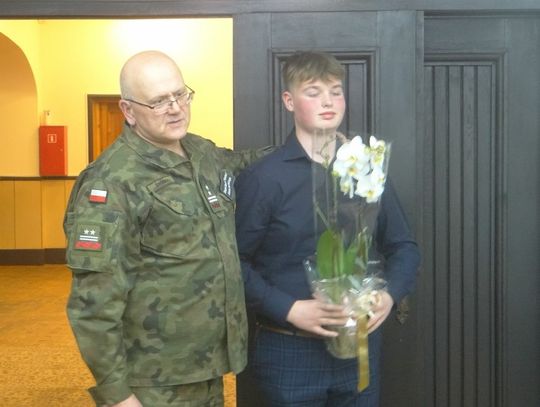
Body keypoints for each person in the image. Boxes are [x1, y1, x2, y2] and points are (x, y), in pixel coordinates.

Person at [64, 50, 271, 407]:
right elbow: (93, 303)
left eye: (180, 94)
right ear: (128, 110)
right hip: (153, 381)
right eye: (159, 101)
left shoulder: (199, 151)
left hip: (206, 365)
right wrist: (118, 395)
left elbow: (243, 165)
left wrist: (304, 149)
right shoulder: (112, 181)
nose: (176, 108)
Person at [235, 51, 421, 406]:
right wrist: (289, 308)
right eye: (313, 92)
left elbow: (404, 246)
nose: (328, 102)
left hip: (359, 346)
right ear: (289, 101)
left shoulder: (366, 167)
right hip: (288, 350)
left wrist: (390, 295)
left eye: (336, 91)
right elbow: (234, 264)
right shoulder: (264, 178)